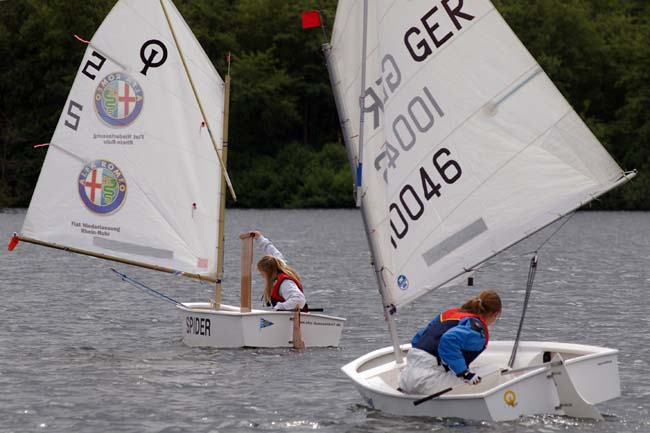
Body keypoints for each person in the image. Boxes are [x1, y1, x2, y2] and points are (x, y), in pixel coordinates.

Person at [398, 290, 502, 395]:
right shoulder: (477, 329)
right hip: (426, 382)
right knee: (498, 370)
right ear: (495, 313)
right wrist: (464, 373)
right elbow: (449, 339)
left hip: (405, 378)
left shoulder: (448, 314)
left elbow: (418, 338)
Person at [251, 230, 308, 312]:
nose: (262, 276)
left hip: (295, 319)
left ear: (269, 272)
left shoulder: (285, 283)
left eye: (262, 274)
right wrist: (260, 238)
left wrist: (278, 307)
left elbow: (299, 300)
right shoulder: (278, 264)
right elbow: (273, 251)